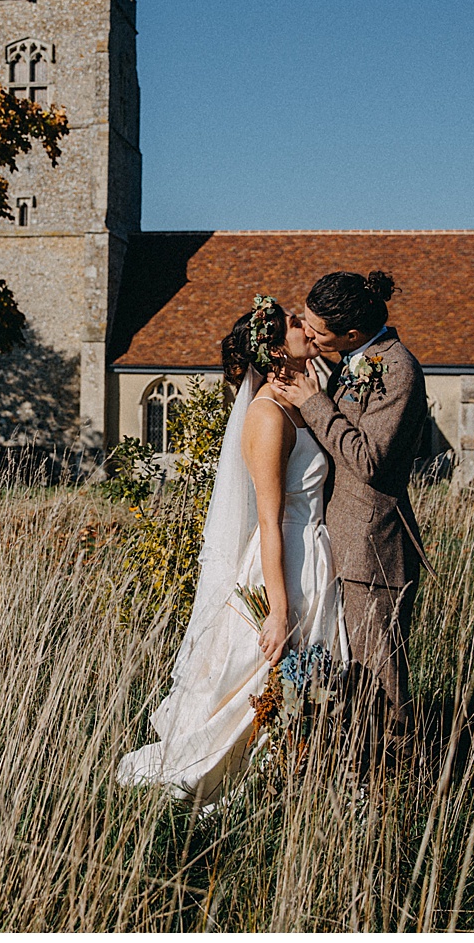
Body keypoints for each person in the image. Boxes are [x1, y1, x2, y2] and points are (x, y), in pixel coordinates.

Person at [116, 295, 345, 805]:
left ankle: (294, 777)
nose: (303, 324)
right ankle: (239, 782)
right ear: (273, 349)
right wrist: (279, 611)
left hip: (313, 553)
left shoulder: (307, 397)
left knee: (308, 680)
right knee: (263, 675)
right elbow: (267, 519)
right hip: (281, 559)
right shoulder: (266, 415)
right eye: (291, 322)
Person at [269, 270, 430, 759]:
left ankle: (403, 778)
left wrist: (313, 402)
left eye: (318, 331)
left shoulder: (397, 370)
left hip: (372, 549)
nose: (311, 336)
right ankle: (358, 766)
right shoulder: (352, 361)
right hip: (339, 542)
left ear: (353, 335)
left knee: (382, 680)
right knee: (352, 678)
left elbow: (370, 461)